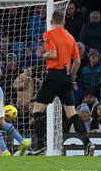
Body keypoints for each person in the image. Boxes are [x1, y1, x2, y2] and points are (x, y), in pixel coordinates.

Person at [32, 11, 95, 156]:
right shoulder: (70, 37)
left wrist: (42, 54)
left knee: (37, 110)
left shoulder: (49, 34)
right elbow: (77, 61)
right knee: (72, 113)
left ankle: (40, 145)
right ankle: (88, 143)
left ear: (51, 21)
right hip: (66, 77)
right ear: (64, 22)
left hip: (54, 75)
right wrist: (71, 78)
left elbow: (53, 54)